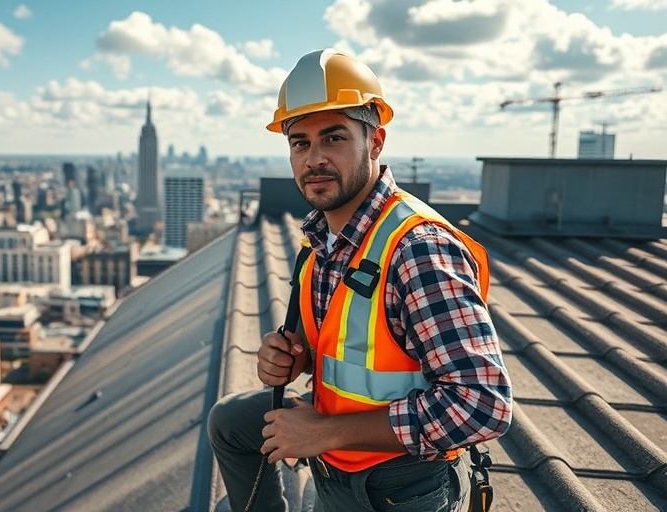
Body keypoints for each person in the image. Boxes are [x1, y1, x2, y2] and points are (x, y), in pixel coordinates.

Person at [208, 48, 513, 511]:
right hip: (335, 455)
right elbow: (361, 349)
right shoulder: (323, 241)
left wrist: (324, 432)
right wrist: (296, 357)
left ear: (375, 142)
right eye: (300, 143)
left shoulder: (417, 249)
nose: (314, 159)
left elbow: (482, 404)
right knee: (231, 422)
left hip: (396, 484)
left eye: (333, 138)